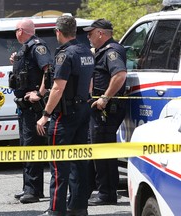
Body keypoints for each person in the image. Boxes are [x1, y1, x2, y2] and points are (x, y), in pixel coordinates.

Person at [36, 15, 94, 216]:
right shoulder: (86, 51)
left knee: (59, 165)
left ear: (58, 32)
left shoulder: (65, 55)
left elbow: (57, 88)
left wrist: (45, 114)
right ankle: (78, 207)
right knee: (79, 162)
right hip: (83, 110)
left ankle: (55, 210)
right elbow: (89, 85)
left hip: (65, 115)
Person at [83, 18, 127, 206]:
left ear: (101, 33)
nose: (88, 37)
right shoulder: (102, 51)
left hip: (107, 109)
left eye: (91, 33)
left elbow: (120, 75)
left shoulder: (112, 52)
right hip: (100, 107)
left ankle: (107, 194)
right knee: (98, 149)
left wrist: (104, 98)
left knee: (104, 151)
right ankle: (101, 189)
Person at [9, 18, 53, 204]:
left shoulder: (37, 47)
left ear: (21, 30)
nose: (15, 34)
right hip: (24, 107)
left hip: (33, 107)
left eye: (15, 30)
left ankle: (33, 191)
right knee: (25, 146)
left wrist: (40, 93)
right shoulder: (25, 49)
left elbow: (48, 69)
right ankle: (29, 187)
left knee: (31, 146)